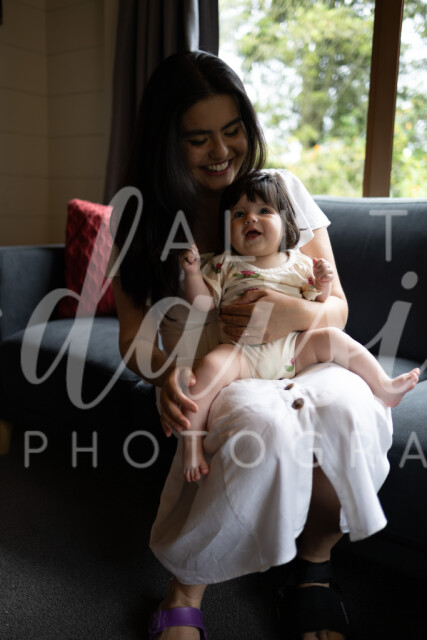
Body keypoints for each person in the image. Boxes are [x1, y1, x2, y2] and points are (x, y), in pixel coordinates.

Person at [110, 50, 393, 640]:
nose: (222, 151)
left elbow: (336, 306)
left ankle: (314, 567)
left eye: (233, 130)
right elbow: (134, 339)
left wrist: (294, 312)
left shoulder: (278, 189)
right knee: (263, 426)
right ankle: (185, 586)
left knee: (347, 410)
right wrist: (165, 373)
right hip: (218, 369)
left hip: (299, 351)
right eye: (198, 139)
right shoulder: (141, 218)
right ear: (166, 144)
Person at [178, 171, 419, 482]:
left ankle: (383, 386)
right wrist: (192, 274)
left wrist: (323, 284)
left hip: (294, 349)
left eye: (264, 210)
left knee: (332, 337)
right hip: (242, 355)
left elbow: (318, 304)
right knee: (209, 367)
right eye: (239, 214)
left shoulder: (298, 262)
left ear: (286, 223)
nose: (250, 219)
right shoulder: (225, 264)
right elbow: (203, 304)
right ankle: (191, 445)